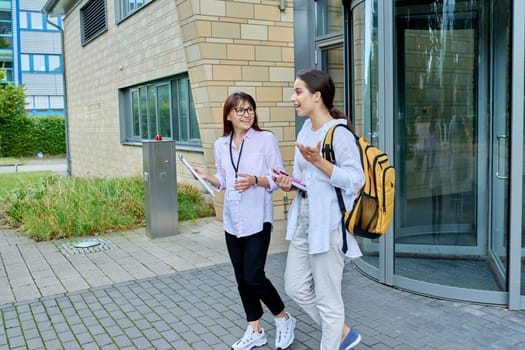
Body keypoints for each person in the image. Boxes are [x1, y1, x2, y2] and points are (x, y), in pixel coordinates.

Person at [193, 92, 296, 350]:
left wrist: (255, 180)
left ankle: (283, 317)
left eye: (250, 109)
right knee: (241, 279)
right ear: (229, 114)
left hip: (258, 219)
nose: (246, 114)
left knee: (253, 275)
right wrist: (208, 177)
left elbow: (279, 178)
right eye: (240, 110)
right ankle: (255, 329)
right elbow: (223, 180)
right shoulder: (221, 144)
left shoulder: (265, 140)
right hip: (232, 222)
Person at [274, 69, 365, 350]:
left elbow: (356, 180)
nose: (293, 98)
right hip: (304, 221)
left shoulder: (339, 133)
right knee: (295, 286)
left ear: (317, 96)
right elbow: (305, 180)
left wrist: (320, 163)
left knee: (328, 300)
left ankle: (335, 337)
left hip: (328, 226)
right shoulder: (305, 130)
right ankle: (342, 332)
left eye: (298, 92)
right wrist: (289, 183)